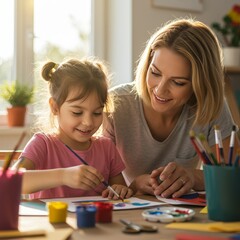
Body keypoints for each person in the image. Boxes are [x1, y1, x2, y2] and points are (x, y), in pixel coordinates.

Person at [102, 18, 236, 198]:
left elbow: (232, 176)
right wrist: (134, 185)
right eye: (155, 73)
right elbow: (100, 182)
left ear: (200, 85)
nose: (160, 89)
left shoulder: (211, 107)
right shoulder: (114, 105)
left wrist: (193, 177)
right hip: (128, 209)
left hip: (187, 217)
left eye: (178, 82)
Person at [13, 57, 133, 200]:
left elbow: (120, 190)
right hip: (52, 222)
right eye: (77, 112)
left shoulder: (106, 148)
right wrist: (63, 176)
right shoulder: (43, 144)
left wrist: (120, 190)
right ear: (55, 107)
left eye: (97, 113)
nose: (88, 122)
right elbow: (12, 181)